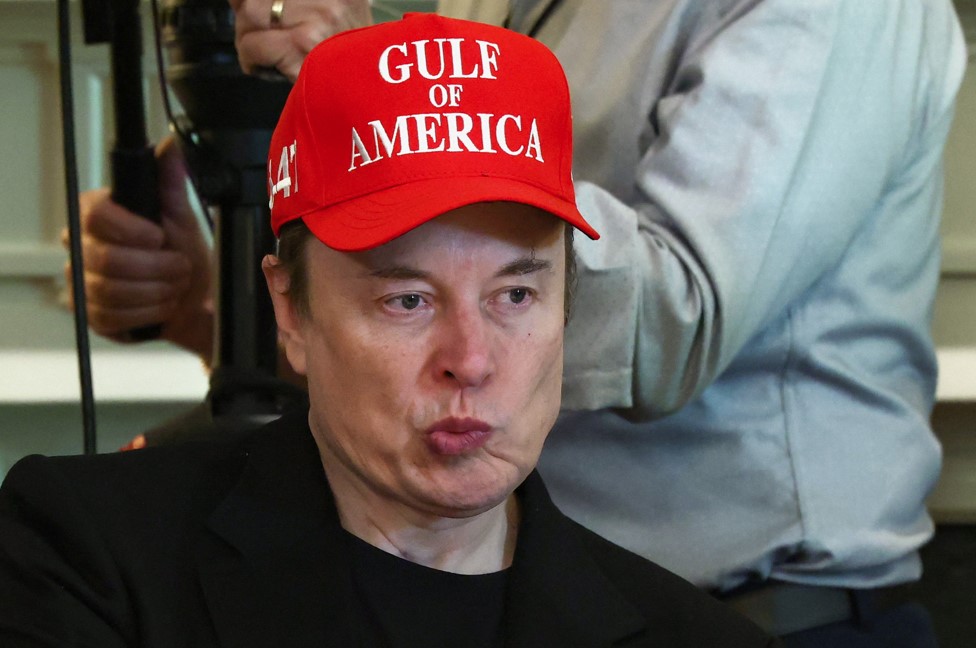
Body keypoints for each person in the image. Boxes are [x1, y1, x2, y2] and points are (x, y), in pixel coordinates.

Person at [70, 0, 968, 644]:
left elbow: (677, 324)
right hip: (510, 593)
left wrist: (390, 104)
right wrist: (213, 306)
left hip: (766, 612)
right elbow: (431, 315)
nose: (472, 357)